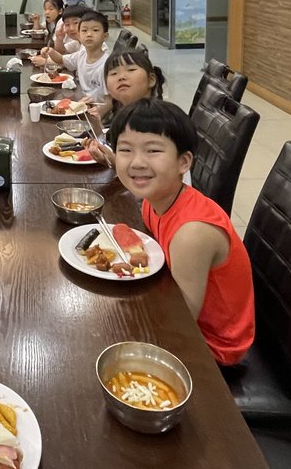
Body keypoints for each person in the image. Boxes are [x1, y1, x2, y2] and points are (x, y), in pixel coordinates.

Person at [109, 99, 254, 367]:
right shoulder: (155, 199)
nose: (137, 162)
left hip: (213, 346)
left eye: (153, 150)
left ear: (183, 162)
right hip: (178, 308)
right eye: (125, 149)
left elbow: (181, 323)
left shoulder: (192, 233)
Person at [83, 49, 165, 169]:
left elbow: (151, 170)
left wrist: (114, 162)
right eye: (113, 73)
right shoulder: (125, 116)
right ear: (107, 88)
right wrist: (98, 125)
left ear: (151, 80)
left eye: (131, 70)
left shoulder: (155, 120)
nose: (121, 77)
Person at [33, 8, 110, 101]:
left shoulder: (107, 64)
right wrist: (50, 51)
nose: (89, 34)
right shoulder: (82, 54)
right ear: (80, 33)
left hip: (96, 105)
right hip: (82, 98)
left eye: (95, 30)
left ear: (105, 36)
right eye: (84, 30)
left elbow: (110, 100)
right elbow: (61, 59)